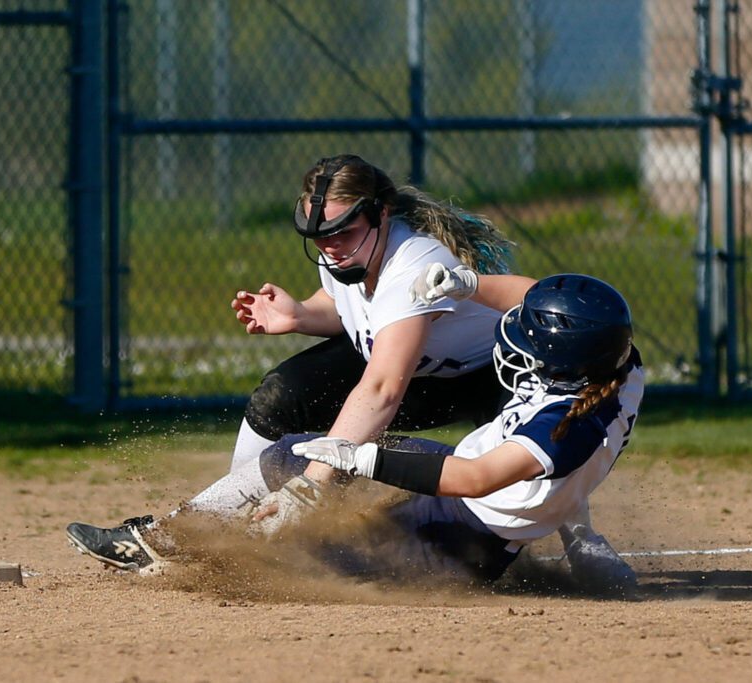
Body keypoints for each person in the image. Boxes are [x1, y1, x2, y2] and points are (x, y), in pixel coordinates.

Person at [66, 154, 633, 587]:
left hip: (479, 378)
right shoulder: (348, 253)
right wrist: (298, 316)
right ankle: (237, 523)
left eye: (341, 233)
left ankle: (579, 532)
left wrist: (316, 484)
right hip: (413, 369)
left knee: (534, 450)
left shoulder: (414, 265)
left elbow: (384, 388)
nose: (330, 248)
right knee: (281, 401)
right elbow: (347, 314)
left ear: (381, 215)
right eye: (320, 238)